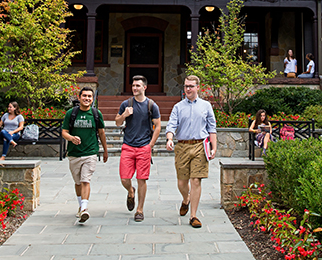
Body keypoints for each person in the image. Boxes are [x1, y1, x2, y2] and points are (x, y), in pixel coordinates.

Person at [165, 74, 217, 229]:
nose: (188, 89)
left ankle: (193, 215)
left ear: (198, 87)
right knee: (182, 182)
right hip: (182, 146)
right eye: (186, 86)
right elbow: (171, 126)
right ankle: (186, 199)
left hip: (200, 146)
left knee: (196, 180)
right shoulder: (178, 107)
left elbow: (211, 128)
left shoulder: (206, 106)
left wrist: (214, 147)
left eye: (191, 86)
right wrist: (169, 139)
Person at [115, 75, 162, 222]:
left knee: (142, 179)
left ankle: (140, 210)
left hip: (143, 147)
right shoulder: (126, 104)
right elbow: (117, 122)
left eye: (138, 86)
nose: (135, 88)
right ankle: (130, 191)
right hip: (128, 146)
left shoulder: (152, 105)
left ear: (144, 87)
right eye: (133, 85)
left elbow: (158, 126)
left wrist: (151, 145)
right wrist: (124, 115)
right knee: (124, 178)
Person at [62, 87, 108, 224]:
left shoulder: (96, 114)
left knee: (85, 180)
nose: (87, 98)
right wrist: (71, 138)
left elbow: (101, 133)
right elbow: (64, 132)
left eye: (89, 96)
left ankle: (84, 209)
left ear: (92, 99)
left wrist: (105, 150)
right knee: (77, 183)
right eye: (84, 96)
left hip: (90, 152)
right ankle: (80, 205)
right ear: (79, 97)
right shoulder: (71, 113)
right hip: (74, 153)